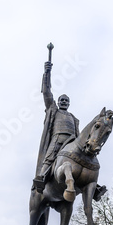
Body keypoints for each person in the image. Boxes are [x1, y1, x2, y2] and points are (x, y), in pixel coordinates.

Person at [33, 61, 79, 193]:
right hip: (57, 139)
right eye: (62, 100)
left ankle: (95, 187)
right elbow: (46, 92)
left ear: (69, 104)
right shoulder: (53, 110)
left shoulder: (74, 118)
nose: (64, 102)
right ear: (58, 102)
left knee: (83, 159)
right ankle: (41, 178)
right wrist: (47, 73)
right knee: (49, 158)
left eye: (66, 101)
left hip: (72, 141)